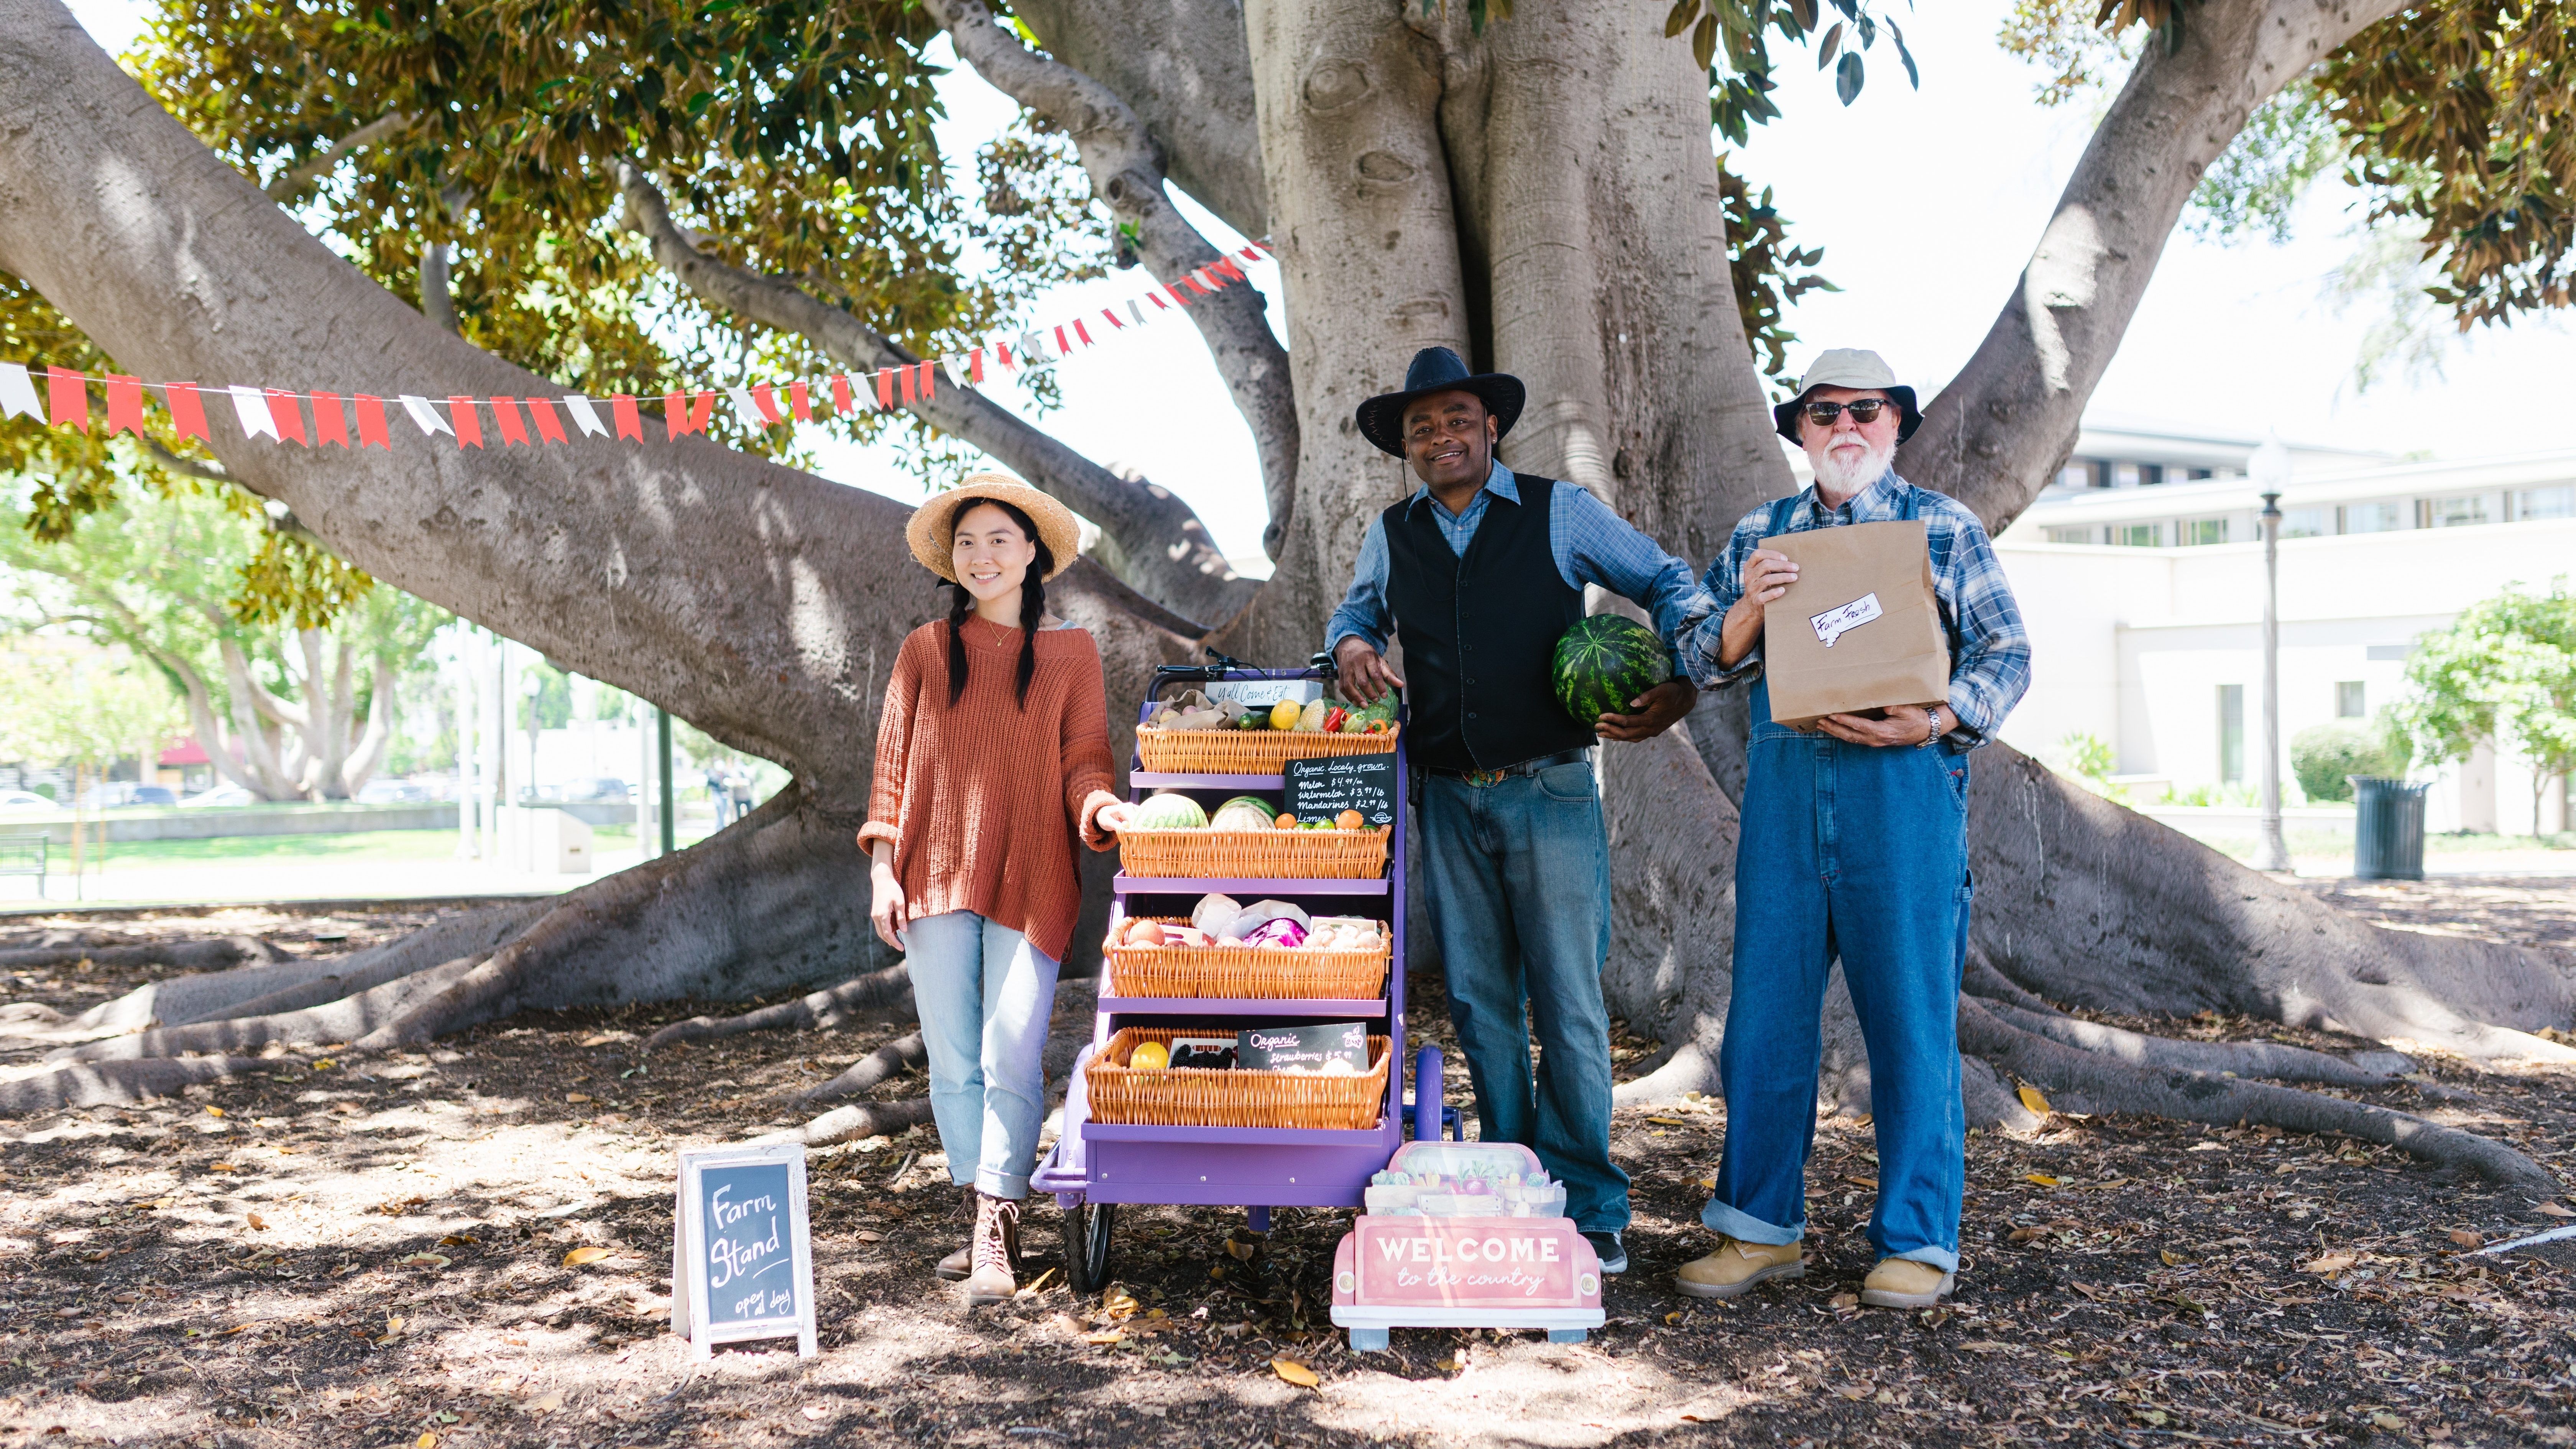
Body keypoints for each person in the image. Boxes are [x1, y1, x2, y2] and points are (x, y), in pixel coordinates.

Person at [1328, 345, 1707, 1276]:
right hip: (1447, 796)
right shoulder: (1394, 530)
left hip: (1551, 788)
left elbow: (1667, 581)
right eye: (1423, 427)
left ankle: (1588, 1202)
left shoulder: (1557, 511)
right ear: (1406, 446)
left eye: (1459, 419)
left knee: (1573, 1003)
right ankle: (1514, 1181)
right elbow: (1356, 613)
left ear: (1491, 427)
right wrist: (1350, 646)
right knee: (1480, 1005)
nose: (1442, 436)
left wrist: (1683, 679)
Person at [1671, 348, 2031, 1309]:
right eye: (1823, 412)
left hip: (1903, 802)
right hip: (1785, 806)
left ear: (1895, 424)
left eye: (1865, 410)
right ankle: (1758, 1231)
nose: (1845, 427)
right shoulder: (1764, 531)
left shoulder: (1941, 528)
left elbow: (2007, 649)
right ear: (1799, 430)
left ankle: (1917, 1242)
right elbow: (1700, 655)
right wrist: (1751, 601)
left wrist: (1941, 718)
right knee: (1765, 1028)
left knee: (1913, 1027)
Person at [858, 472, 1134, 1307]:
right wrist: (881, 868)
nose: (983, 557)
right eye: (968, 543)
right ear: (955, 560)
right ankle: (988, 1209)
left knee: (1009, 1051)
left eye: (1000, 541)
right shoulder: (922, 651)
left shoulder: (1070, 654)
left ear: (1032, 556)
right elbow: (891, 773)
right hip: (933, 874)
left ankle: (997, 1223)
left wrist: (1099, 805)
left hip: (1036, 874)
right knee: (951, 1061)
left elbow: (1085, 756)